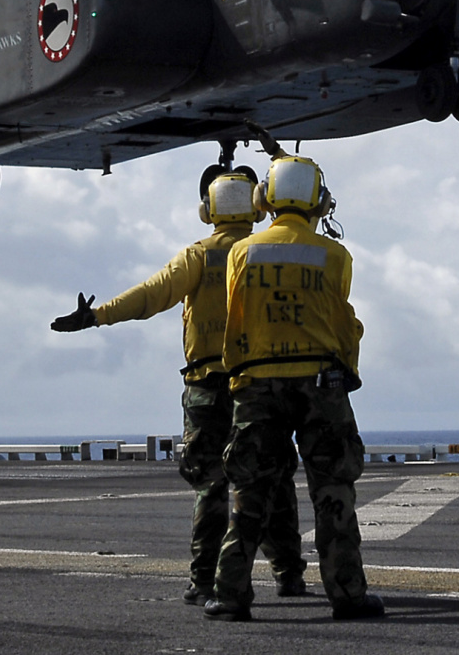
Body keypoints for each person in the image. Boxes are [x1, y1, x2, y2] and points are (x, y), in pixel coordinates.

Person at [50, 170, 307, 606]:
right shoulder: (266, 254)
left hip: (207, 388)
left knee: (210, 484)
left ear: (208, 212)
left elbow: (152, 295)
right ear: (257, 206)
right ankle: (288, 575)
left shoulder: (198, 257)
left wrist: (97, 316)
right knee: (273, 478)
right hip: (259, 386)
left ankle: (204, 579)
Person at [204, 154, 385, 624]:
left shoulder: (243, 252)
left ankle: (229, 594)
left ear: (263, 199)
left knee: (250, 490)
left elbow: (235, 319)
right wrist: (348, 369)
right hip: (321, 384)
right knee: (333, 490)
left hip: (258, 384)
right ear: (318, 201)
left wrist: (239, 375)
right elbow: (345, 324)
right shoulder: (335, 255)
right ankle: (347, 594)